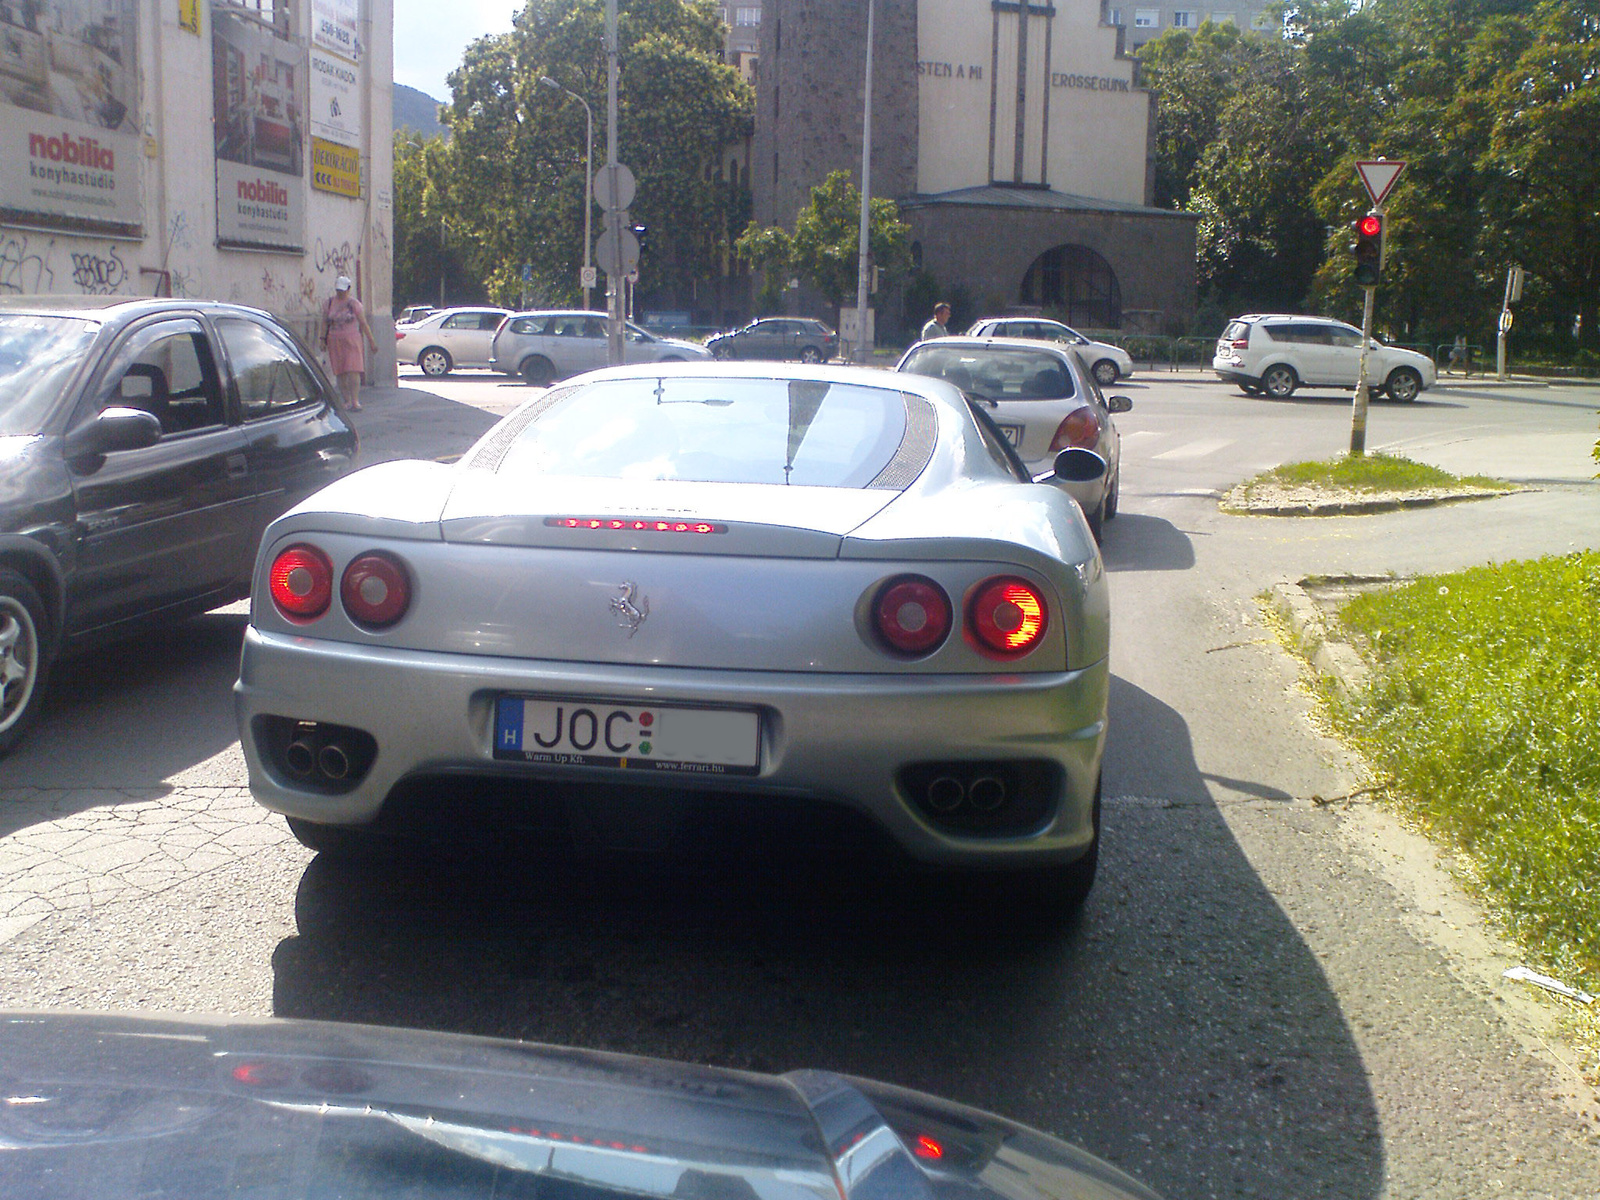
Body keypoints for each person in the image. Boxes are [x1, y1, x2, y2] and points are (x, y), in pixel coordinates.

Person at [321, 275, 378, 411]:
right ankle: (346, 400)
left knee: (353, 370)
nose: (340, 293)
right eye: (338, 290)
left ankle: (355, 400)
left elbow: (363, 323)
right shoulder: (329, 303)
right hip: (334, 340)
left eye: (342, 290)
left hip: (352, 340)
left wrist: (371, 342)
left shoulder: (354, 304)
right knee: (340, 371)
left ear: (348, 289)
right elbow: (324, 322)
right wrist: (322, 339)